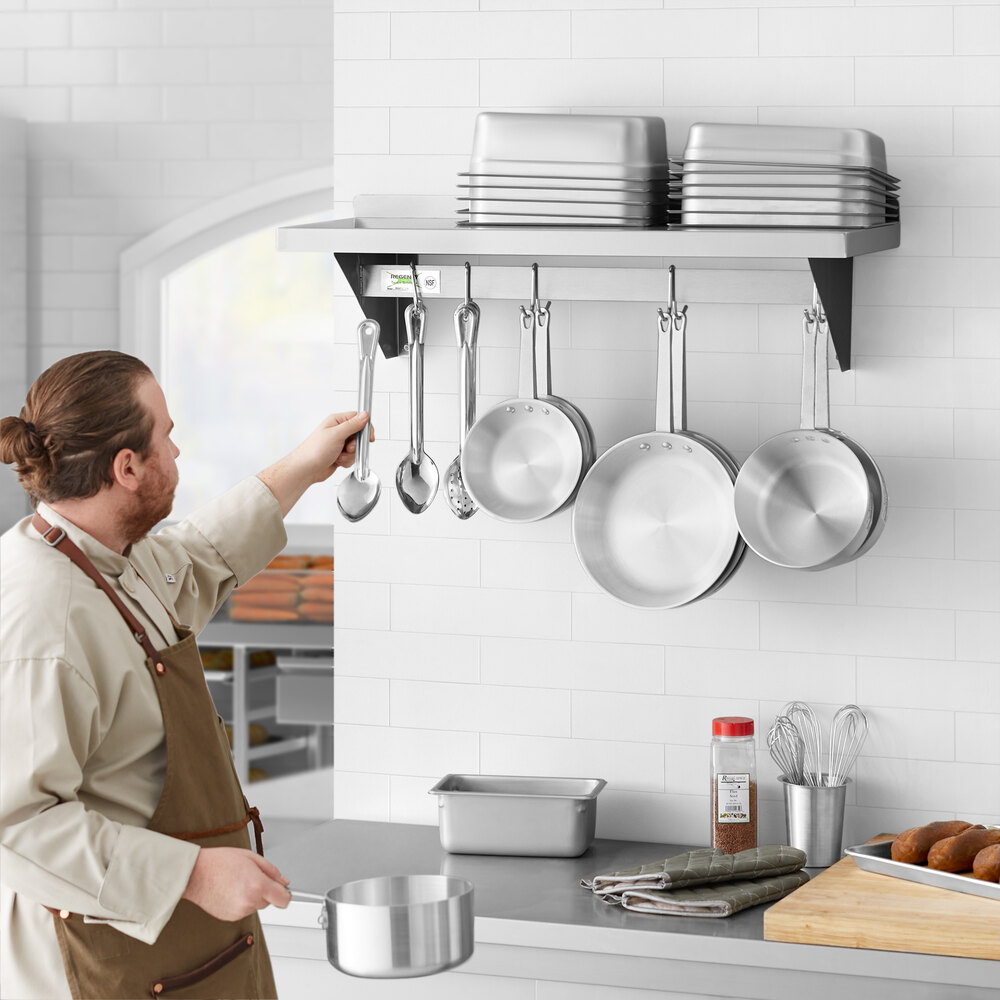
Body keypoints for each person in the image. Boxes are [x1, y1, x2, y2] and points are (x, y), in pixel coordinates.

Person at [0, 350, 371, 1000]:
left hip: (182, 953)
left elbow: (197, 555)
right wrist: (194, 874)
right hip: (107, 962)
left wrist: (305, 467)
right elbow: (17, 826)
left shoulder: (101, 555)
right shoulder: (43, 617)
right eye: (167, 436)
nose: (178, 450)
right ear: (127, 467)